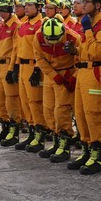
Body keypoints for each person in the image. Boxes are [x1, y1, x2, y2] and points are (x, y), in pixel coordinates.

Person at [66, 0, 101, 175]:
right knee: (81, 114)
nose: (83, 5)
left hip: (96, 74)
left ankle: (97, 154)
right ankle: (86, 149)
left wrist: (86, 30)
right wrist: (75, 51)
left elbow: (96, 52)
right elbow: (86, 51)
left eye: (87, 2)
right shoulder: (90, 24)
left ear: (97, 5)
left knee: (94, 115)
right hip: (83, 72)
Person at [33, 15, 80, 161]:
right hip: (51, 75)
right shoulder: (39, 36)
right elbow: (39, 58)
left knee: (62, 110)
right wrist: (53, 75)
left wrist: (74, 76)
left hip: (66, 75)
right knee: (48, 109)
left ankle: (65, 144)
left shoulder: (73, 37)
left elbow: (82, 60)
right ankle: (56, 141)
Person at [12, 0, 48, 152]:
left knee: (36, 103)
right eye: (25, 5)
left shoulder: (42, 23)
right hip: (23, 66)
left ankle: (40, 136)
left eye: (30, 5)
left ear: (39, 7)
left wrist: (37, 68)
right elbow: (17, 47)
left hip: (35, 67)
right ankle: (32, 134)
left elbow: (43, 49)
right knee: (26, 102)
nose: (26, 7)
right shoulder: (23, 24)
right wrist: (15, 66)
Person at [0, 0, 23, 145]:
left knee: (12, 101)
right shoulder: (1, 25)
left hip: (9, 65)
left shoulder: (17, 25)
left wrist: (12, 68)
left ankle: (14, 132)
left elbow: (16, 49)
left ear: (10, 9)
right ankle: (5, 128)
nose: (0, 13)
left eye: (3, 9)